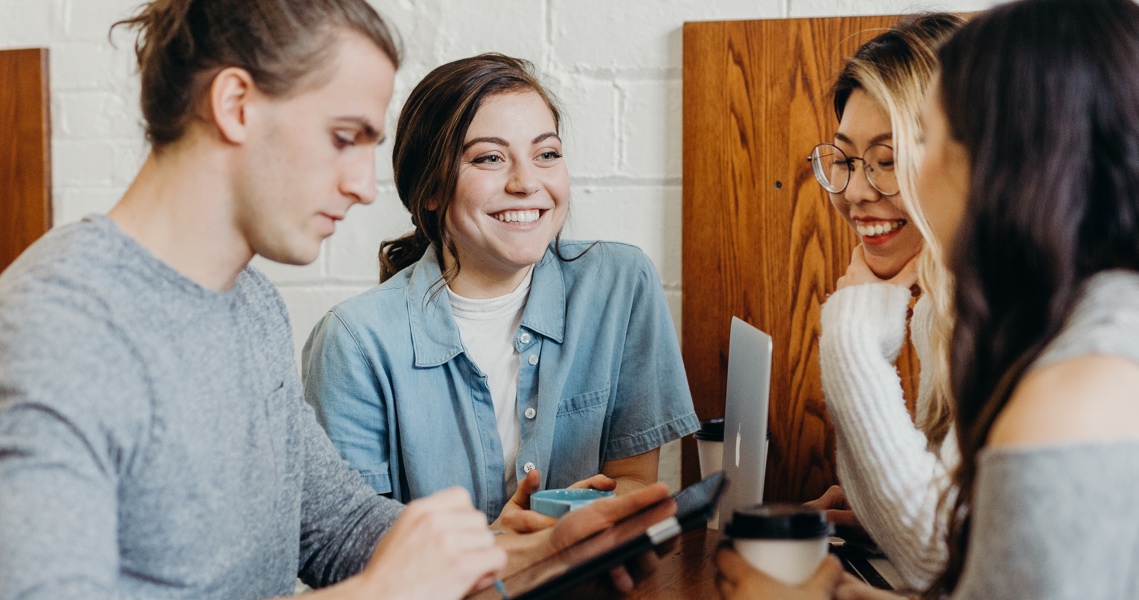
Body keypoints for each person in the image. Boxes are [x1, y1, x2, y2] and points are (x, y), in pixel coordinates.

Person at [0, 2, 672, 598]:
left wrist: (527, 556)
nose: (362, 186)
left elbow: (338, 527)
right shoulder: (58, 328)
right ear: (235, 106)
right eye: (343, 138)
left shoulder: (250, 307)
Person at [720, 0, 1139, 598]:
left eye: (919, 144)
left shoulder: (1076, 391)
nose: (873, 187)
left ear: (1007, 161)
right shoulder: (1133, 321)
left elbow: (945, 554)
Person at [302, 53, 699, 530]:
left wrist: (570, 524)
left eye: (546, 154)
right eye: (489, 158)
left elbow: (634, 482)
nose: (527, 182)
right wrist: (503, 548)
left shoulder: (620, 284)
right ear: (429, 189)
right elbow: (353, 546)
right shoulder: (353, 342)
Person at [799, 13, 964, 590]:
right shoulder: (940, 307)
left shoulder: (1010, 312)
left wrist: (849, 338)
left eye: (888, 160)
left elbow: (938, 557)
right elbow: (951, 532)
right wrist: (878, 511)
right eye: (843, 160)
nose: (858, 191)